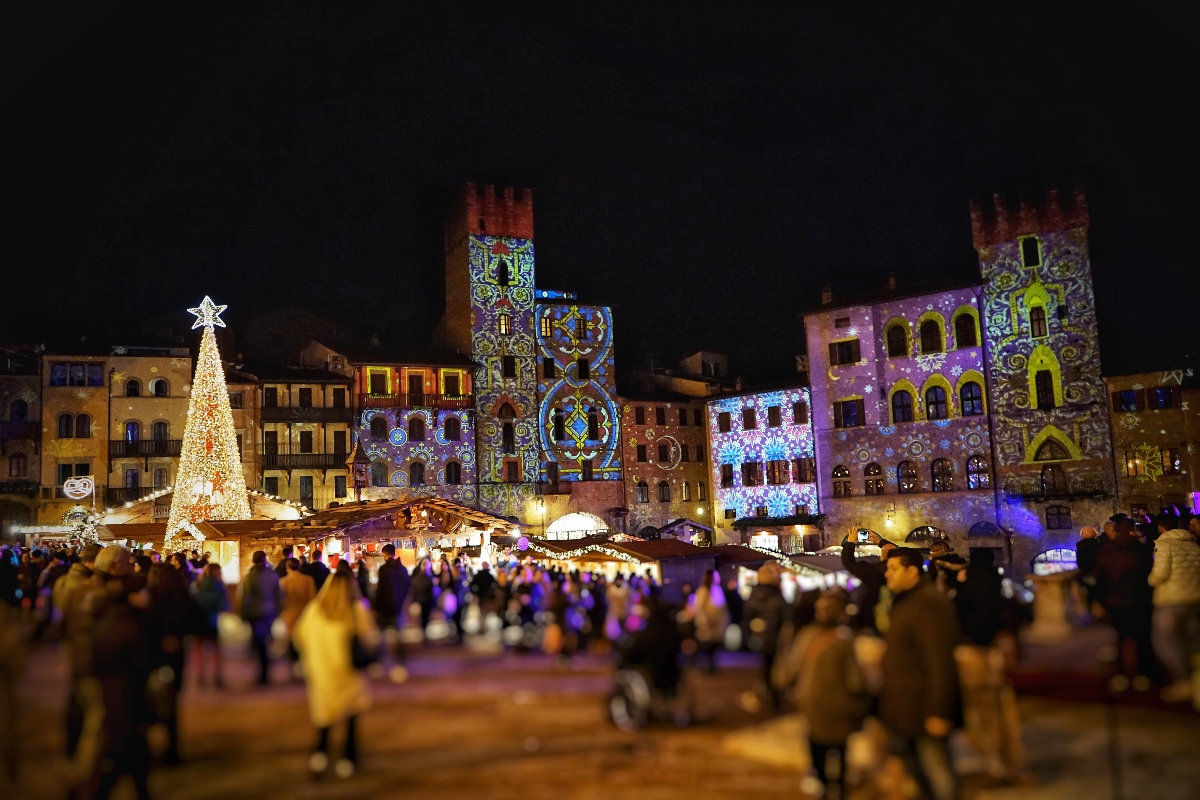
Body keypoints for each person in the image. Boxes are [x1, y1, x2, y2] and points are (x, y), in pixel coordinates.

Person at [772, 588, 869, 799]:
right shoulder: (845, 639)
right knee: (840, 745)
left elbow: (791, 668)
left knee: (816, 740)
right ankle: (840, 786)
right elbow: (855, 679)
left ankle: (821, 782)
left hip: (812, 700)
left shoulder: (807, 635)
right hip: (840, 703)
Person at [879, 547, 959, 800]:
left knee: (938, 771)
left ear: (911, 571)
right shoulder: (907, 601)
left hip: (924, 706)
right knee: (915, 767)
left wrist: (939, 710)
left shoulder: (928, 604)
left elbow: (940, 661)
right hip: (905, 706)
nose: (886, 574)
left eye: (893, 569)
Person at [291, 568, 380, 779]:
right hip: (349, 674)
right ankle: (347, 759)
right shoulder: (356, 610)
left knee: (324, 718)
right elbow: (371, 639)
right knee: (350, 719)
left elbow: (298, 636)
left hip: (322, 673)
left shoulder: (315, 610)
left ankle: (320, 757)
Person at [145, 563, 200, 765]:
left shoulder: (150, 598)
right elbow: (195, 620)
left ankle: (151, 749)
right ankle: (172, 750)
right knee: (171, 703)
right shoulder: (183, 595)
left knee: (152, 700)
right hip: (176, 657)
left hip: (154, 657)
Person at [1093, 515, 1156, 679]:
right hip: (1139, 599)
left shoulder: (1106, 551)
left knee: (1120, 638)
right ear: (1130, 531)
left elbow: (1100, 578)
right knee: (1142, 638)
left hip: (1115, 600)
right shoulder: (1141, 550)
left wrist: (1100, 601)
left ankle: (1121, 673)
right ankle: (1144, 673)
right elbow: (1149, 574)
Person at [1147, 516, 1200, 702]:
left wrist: (1150, 580)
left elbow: (1160, 574)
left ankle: (1182, 680)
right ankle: (1195, 681)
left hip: (1171, 599)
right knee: (1191, 639)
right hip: (1194, 598)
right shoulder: (1193, 545)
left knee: (1164, 640)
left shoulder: (1164, 545)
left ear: (1162, 529)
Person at [743, 562, 789, 712]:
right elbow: (786, 615)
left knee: (767, 667)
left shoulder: (754, 595)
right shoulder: (776, 596)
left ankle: (769, 695)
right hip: (776, 636)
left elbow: (747, 616)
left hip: (760, 638)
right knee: (775, 667)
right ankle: (776, 699)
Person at [841, 529, 897, 632]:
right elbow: (906, 554)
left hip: (872, 620)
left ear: (882, 556)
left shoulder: (874, 572)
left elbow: (849, 563)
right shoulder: (902, 569)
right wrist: (881, 542)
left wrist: (850, 543)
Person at [239, 550, 282, 686]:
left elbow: (247, 597)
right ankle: (266, 667)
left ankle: (263, 672)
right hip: (270, 611)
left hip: (256, 612)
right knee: (266, 639)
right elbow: (279, 595)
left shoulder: (251, 577)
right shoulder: (273, 575)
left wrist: (243, 613)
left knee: (259, 642)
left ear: (253, 561)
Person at [191, 563, 228, 688]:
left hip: (198, 619)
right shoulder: (219, 587)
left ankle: (200, 677)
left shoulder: (198, 585)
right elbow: (223, 606)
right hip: (212, 620)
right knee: (216, 650)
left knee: (199, 650)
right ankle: (217, 677)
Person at [689, 570, 728, 673]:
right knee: (706, 645)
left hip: (717, 624)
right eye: (716, 576)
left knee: (713, 646)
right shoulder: (703, 591)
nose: (718, 577)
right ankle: (704, 665)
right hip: (708, 623)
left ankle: (710, 665)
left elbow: (721, 608)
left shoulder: (717, 589)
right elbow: (699, 607)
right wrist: (706, 619)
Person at [1075, 526, 1102, 605]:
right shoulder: (1098, 544)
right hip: (1097, 572)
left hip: (1085, 573)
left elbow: (1079, 561)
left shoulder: (1080, 545)